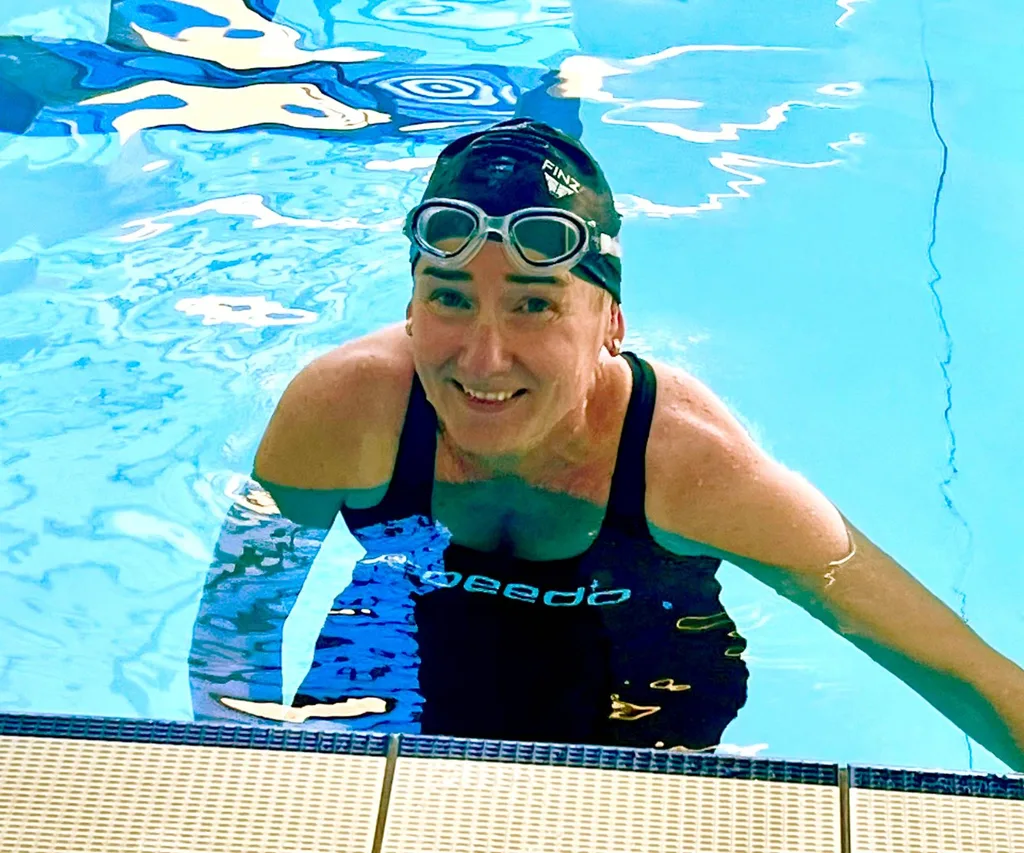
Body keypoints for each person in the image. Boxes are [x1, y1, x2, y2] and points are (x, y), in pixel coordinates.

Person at [190, 117, 1024, 769]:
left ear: (611, 324)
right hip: (408, 648)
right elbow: (235, 634)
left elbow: (960, 668)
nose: (482, 358)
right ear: (411, 306)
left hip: (643, 676)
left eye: (534, 304)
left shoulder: (690, 464)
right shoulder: (344, 411)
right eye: (450, 297)